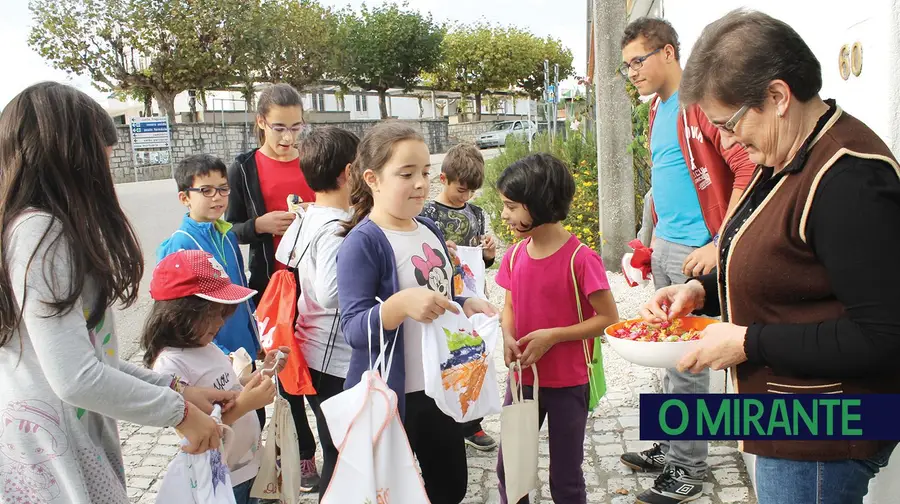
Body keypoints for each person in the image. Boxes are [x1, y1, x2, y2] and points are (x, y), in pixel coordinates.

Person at [641, 9, 900, 504]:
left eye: (730, 125)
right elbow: (786, 268)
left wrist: (748, 343)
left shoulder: (850, 180)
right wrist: (703, 292)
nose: (730, 142)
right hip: (790, 417)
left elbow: (883, 336)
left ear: (778, 97)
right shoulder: (790, 152)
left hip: (826, 433)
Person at [0, 82, 234, 504]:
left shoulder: (36, 229)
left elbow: (92, 358)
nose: (107, 177)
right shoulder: (41, 232)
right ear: (72, 160)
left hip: (68, 441)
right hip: (54, 457)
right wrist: (178, 413)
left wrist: (175, 390)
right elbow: (75, 378)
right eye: (103, 162)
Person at [618, 17, 756, 503]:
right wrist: (644, 239)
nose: (631, 72)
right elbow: (662, 181)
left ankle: (689, 469)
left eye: (638, 60)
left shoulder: (699, 104)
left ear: (669, 53)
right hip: (666, 248)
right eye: (626, 66)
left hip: (698, 253)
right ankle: (671, 445)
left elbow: (745, 168)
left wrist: (719, 242)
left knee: (689, 364)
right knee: (666, 360)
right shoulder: (658, 108)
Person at [336, 122, 497, 504]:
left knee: (451, 486)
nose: (421, 184)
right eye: (406, 174)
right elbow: (354, 329)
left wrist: (465, 300)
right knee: (393, 492)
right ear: (372, 178)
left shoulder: (428, 228)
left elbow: (446, 283)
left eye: (425, 172)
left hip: (441, 386)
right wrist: (398, 306)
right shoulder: (363, 243)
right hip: (394, 396)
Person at [494, 153, 619, 504]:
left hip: (568, 384)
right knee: (512, 469)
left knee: (565, 476)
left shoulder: (581, 258)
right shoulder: (515, 256)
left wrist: (554, 336)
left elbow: (608, 319)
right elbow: (510, 306)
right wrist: (506, 335)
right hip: (522, 382)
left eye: (511, 206)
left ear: (540, 204)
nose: (504, 215)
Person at [226, 82, 320, 491]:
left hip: (318, 279)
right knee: (282, 366)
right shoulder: (244, 167)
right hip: (271, 283)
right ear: (261, 122)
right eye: (279, 128)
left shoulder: (316, 159)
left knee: (319, 364)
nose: (288, 138)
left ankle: (338, 439)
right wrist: (259, 226)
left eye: (296, 128)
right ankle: (302, 451)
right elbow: (228, 225)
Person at [142, 250, 289, 504]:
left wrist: (261, 373)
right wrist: (247, 404)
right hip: (224, 478)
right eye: (212, 314)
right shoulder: (170, 366)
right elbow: (197, 431)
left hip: (248, 464)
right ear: (178, 313)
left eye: (223, 313)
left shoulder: (206, 345)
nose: (220, 323)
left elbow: (227, 386)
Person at [157, 154, 265, 422]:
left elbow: (241, 288)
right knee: (225, 423)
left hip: (242, 352)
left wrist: (256, 338)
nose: (217, 197)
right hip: (212, 359)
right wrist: (220, 353)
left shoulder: (227, 234)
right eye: (205, 190)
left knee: (253, 420)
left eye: (223, 189)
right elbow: (178, 314)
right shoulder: (180, 244)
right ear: (185, 198)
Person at [287, 126, 359, 501]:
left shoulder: (307, 216)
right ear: (350, 172)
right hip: (332, 358)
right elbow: (331, 293)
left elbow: (286, 256)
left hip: (311, 346)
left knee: (336, 441)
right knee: (340, 448)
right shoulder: (335, 227)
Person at [420, 142, 497, 451]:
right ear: (443, 179)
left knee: (475, 354)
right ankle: (444, 417)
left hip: (473, 294)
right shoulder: (427, 213)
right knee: (447, 356)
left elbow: (482, 260)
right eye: (461, 190)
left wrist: (489, 254)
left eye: (471, 192)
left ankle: (471, 421)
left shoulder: (476, 214)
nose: (466, 197)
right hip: (441, 296)